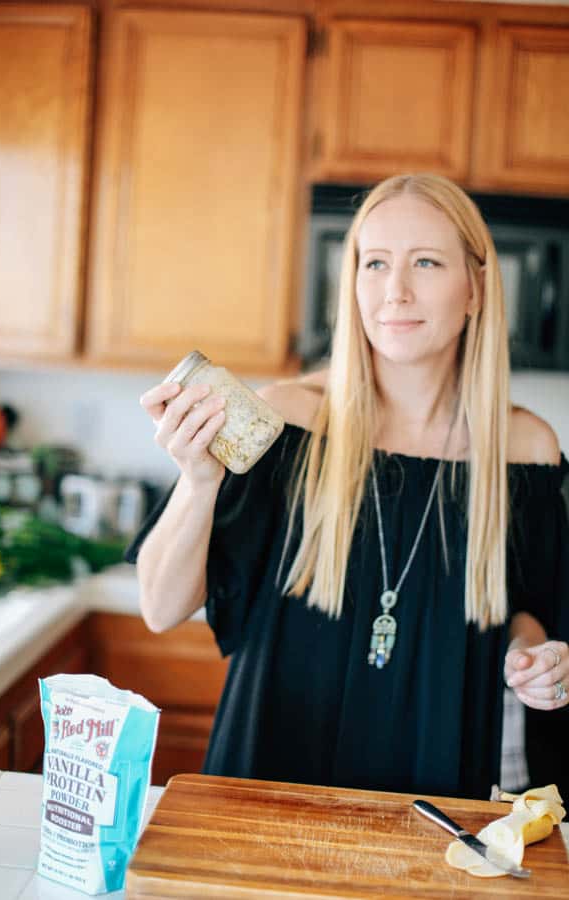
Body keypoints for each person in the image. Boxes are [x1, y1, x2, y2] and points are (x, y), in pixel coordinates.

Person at [126, 173, 569, 801]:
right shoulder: (283, 422)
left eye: (426, 261)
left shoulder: (525, 449)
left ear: (475, 287)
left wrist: (534, 657)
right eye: (375, 262)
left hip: (434, 795)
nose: (396, 290)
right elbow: (160, 606)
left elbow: (531, 605)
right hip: (269, 780)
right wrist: (199, 483)